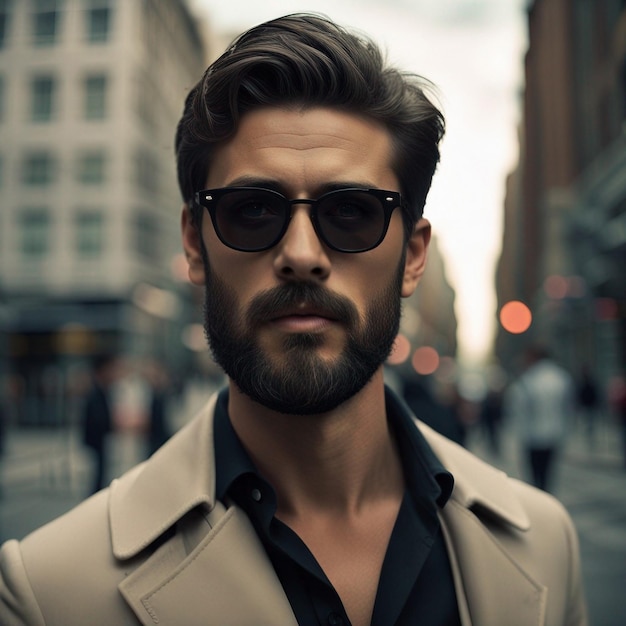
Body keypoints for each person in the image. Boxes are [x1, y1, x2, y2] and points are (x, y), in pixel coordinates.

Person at [0, 14, 586, 626]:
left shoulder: (546, 547)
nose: (302, 256)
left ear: (413, 257)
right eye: (252, 210)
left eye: (353, 212)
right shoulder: (47, 591)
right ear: (195, 246)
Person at [506, 345, 575, 493]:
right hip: (554, 434)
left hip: (532, 436)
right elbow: (568, 408)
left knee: (535, 477)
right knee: (548, 475)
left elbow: (517, 409)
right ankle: (547, 498)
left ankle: (539, 502)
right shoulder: (561, 377)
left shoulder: (527, 379)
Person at [80, 354, 118, 495]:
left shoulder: (102, 391)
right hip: (96, 444)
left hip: (99, 443)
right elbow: (97, 420)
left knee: (99, 479)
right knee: (95, 481)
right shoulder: (95, 392)